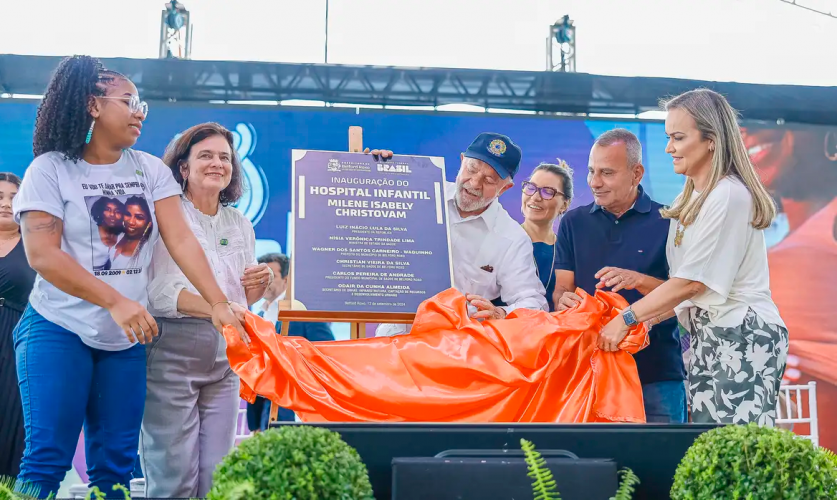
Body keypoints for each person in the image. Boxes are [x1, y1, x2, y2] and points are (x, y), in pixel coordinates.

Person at [12, 55, 244, 499]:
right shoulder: (50, 169)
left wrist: (217, 302)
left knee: (116, 467)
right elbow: (43, 255)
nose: (139, 113)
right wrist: (115, 300)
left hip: (125, 342)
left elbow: (181, 241)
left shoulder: (149, 170)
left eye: (142, 104)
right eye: (129, 101)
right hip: (58, 328)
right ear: (93, 105)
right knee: (46, 460)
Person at [598, 89, 788, 426]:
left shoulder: (728, 195)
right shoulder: (690, 199)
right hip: (711, 336)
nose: (668, 148)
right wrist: (646, 321)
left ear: (711, 140)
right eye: (668, 138)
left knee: (733, 450)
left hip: (742, 334)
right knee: (709, 443)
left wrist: (626, 319)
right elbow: (688, 290)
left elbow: (692, 284)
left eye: (678, 137)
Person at [140, 122, 274, 499]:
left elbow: (241, 299)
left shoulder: (240, 222)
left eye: (224, 158)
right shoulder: (166, 215)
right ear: (183, 167)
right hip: (171, 352)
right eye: (206, 156)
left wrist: (258, 285)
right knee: (173, 475)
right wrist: (219, 308)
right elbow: (160, 291)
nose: (217, 163)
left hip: (226, 355)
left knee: (219, 476)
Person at [553, 129, 687, 423]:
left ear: (636, 173)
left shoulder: (670, 222)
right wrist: (564, 301)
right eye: (591, 171)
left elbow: (684, 294)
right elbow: (562, 288)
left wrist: (637, 279)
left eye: (607, 173)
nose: (594, 182)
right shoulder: (573, 222)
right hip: (588, 372)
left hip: (657, 375)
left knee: (665, 454)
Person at [376, 132, 547, 336]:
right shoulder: (419, 195)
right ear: (462, 160)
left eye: (489, 180)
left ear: (505, 188)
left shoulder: (512, 239)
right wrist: (371, 171)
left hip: (459, 345)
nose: (474, 183)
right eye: (472, 169)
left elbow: (534, 304)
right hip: (396, 335)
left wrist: (501, 313)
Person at [246, 253, 335, 432]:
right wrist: (255, 422)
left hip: (295, 413)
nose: (264, 281)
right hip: (265, 413)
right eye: (260, 277)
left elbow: (327, 353)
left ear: (286, 280)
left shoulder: (303, 312)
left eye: (270, 276)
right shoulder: (259, 317)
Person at [0, 173, 35, 479]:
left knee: (13, 421)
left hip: (17, 343)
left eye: (13, 197)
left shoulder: (38, 246)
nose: (5, 204)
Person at [518, 161, 573, 312]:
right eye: (531, 188)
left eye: (548, 192)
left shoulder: (568, 252)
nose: (535, 197)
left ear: (564, 204)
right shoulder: (502, 241)